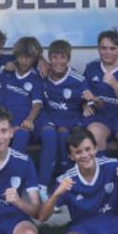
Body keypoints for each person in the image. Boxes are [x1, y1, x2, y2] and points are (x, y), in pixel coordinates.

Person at [38, 39, 93, 202]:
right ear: (49, 58)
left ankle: (64, 183)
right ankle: (42, 186)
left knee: (64, 136)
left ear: (68, 58)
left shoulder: (77, 78)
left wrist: (86, 105)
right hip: (48, 116)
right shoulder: (43, 73)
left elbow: (89, 98)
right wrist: (40, 59)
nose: (58, 61)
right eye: (54, 57)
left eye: (62, 57)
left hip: (69, 119)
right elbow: (27, 52)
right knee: (49, 136)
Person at [83, 30, 118, 173]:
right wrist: (87, 104)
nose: (107, 52)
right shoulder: (91, 68)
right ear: (98, 48)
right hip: (100, 116)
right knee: (94, 134)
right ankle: (101, 181)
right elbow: (84, 95)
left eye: (112, 48)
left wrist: (114, 84)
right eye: (103, 48)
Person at [2, 36, 44, 153]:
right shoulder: (7, 72)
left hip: (23, 125)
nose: (24, 60)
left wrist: (29, 120)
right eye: (21, 56)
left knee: (21, 136)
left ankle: (16, 170)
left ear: (35, 58)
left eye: (28, 57)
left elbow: (37, 104)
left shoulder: (36, 78)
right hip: (4, 123)